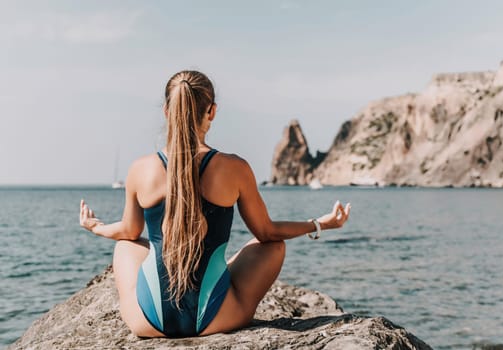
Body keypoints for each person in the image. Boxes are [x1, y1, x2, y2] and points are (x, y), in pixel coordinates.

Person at [79, 70, 351, 338]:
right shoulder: (234, 168)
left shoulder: (141, 169)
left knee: (127, 245)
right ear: (211, 111)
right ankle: (221, 272)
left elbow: (128, 231)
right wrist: (319, 224)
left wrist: (96, 227)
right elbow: (267, 232)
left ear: (166, 111)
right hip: (215, 320)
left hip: (149, 322)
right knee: (272, 247)